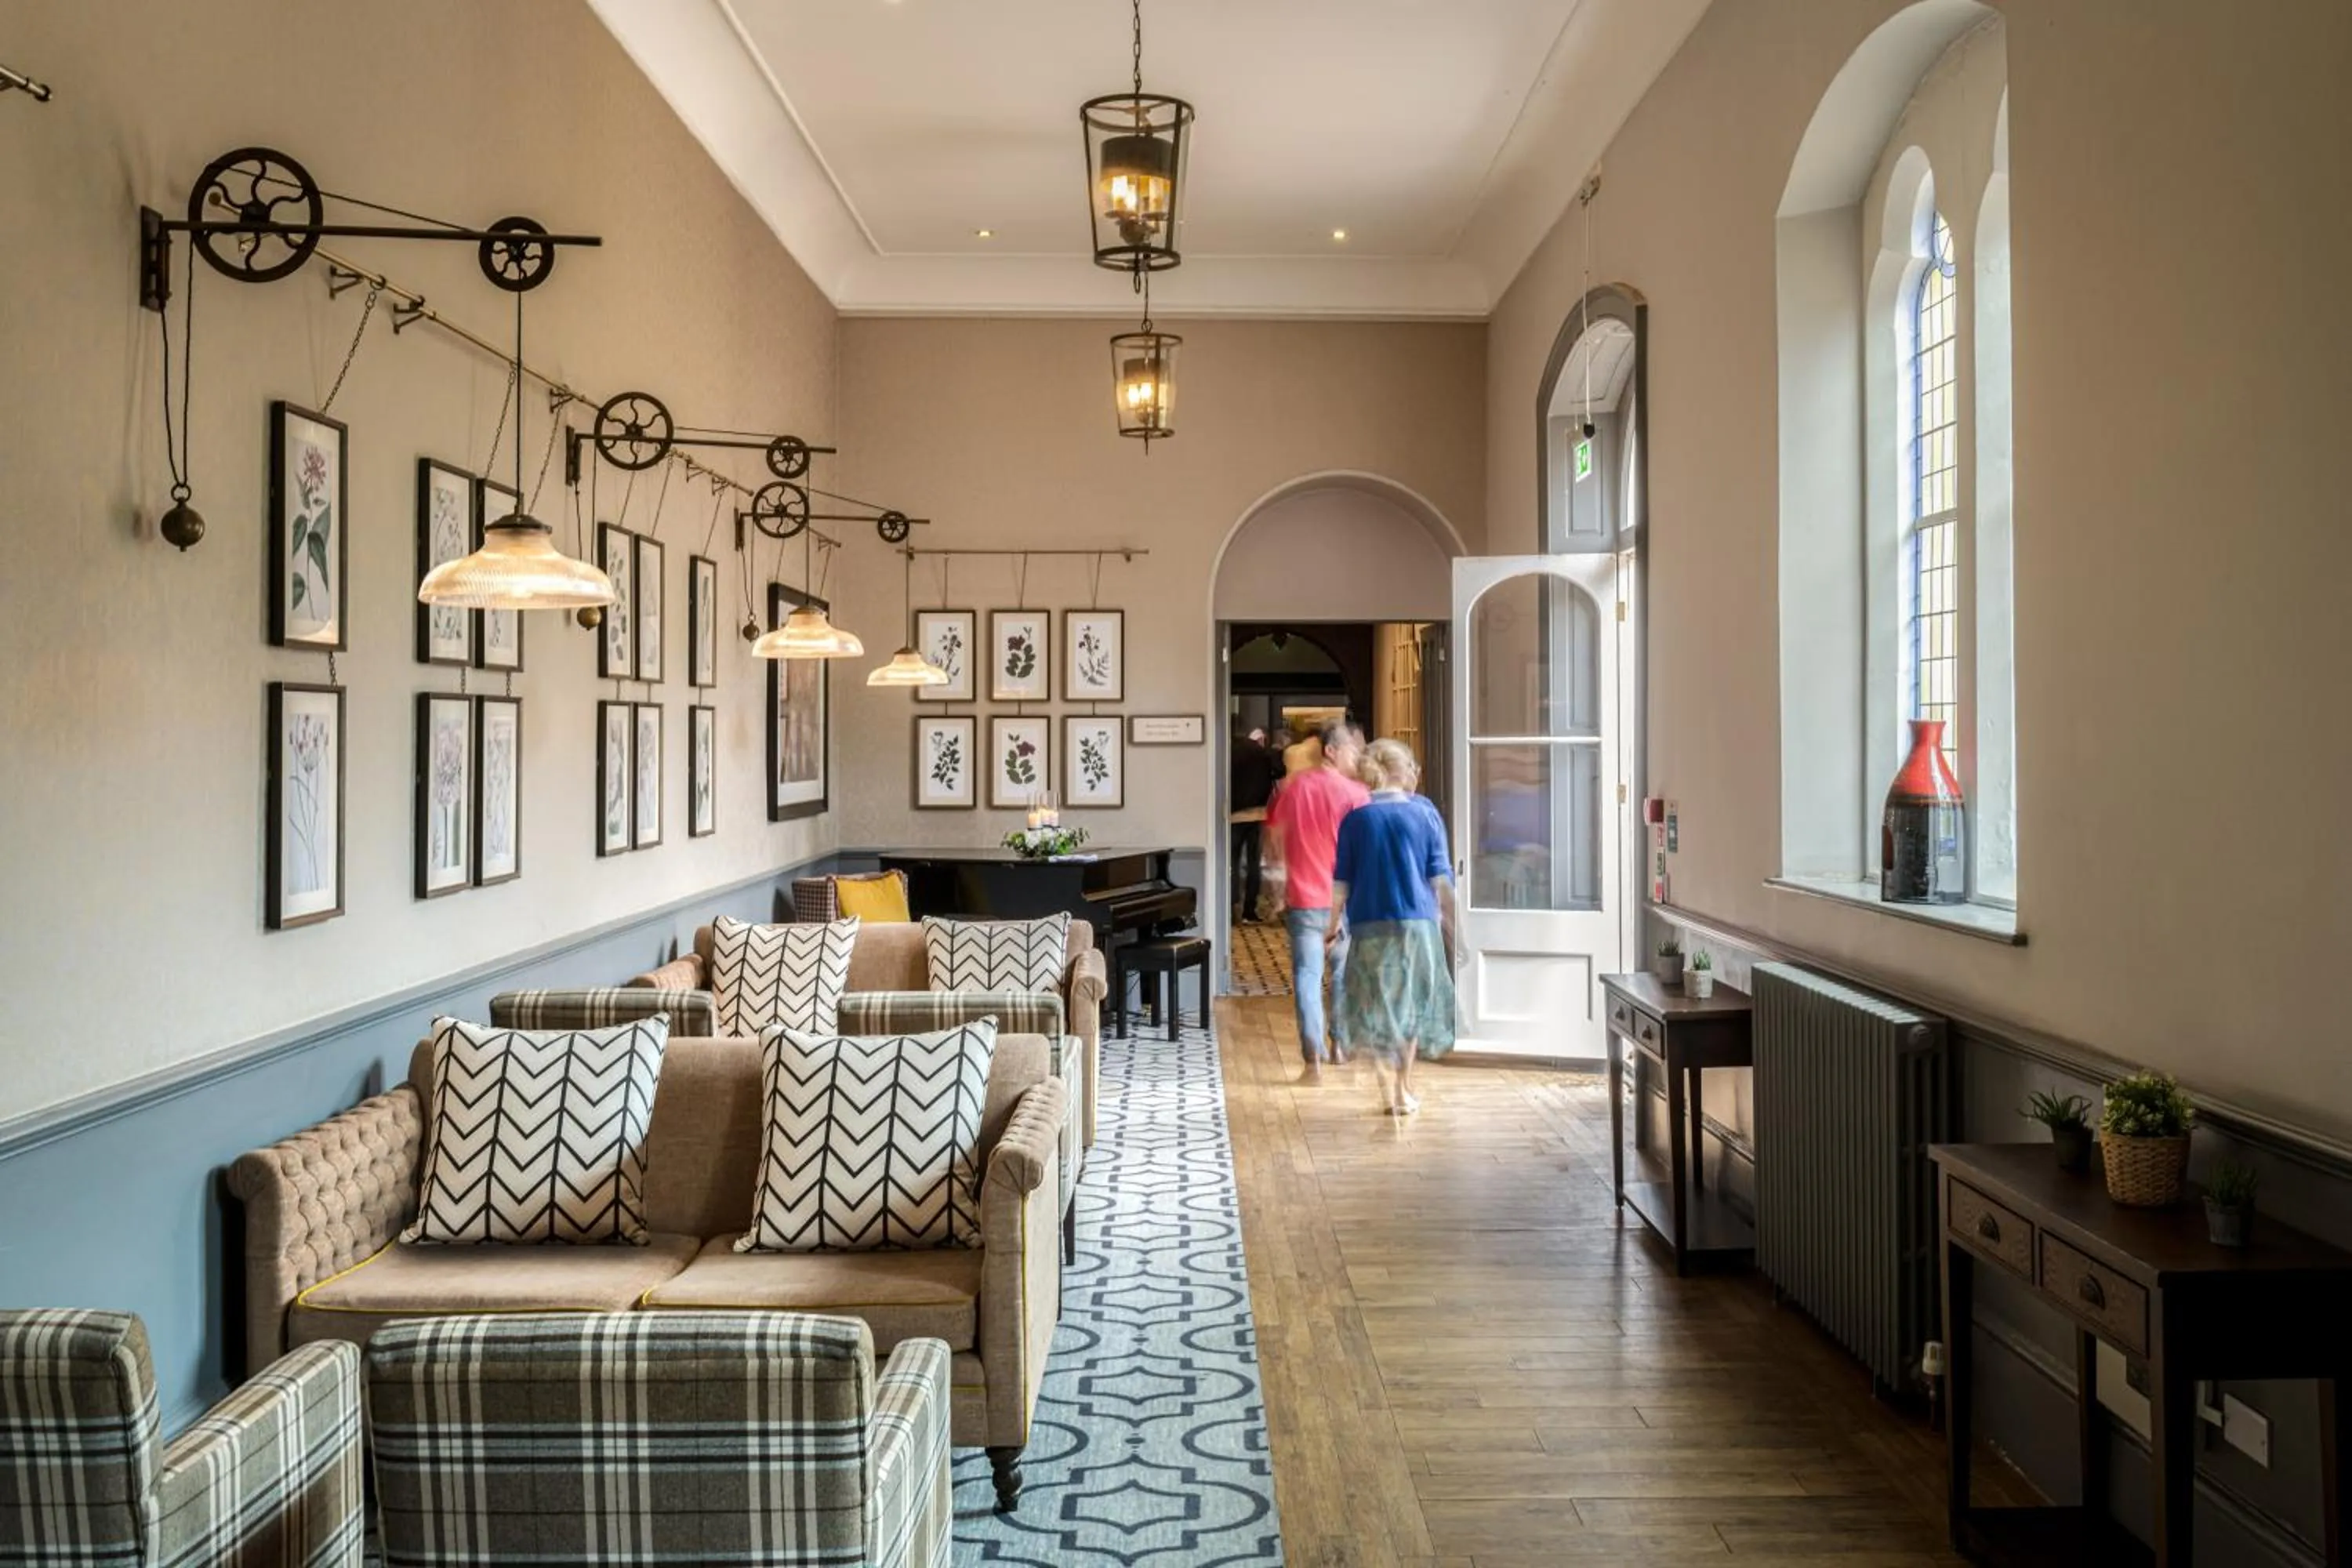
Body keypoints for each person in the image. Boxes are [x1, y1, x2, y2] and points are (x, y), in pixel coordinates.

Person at [1330, 738, 1457, 1116]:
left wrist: (1331, 925)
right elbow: (1441, 879)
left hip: (1369, 924)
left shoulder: (1356, 819)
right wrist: (1453, 924)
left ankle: (1386, 1079)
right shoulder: (1425, 814)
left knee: (1375, 1001)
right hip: (1418, 924)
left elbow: (1341, 883)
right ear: (1406, 771)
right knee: (1413, 1005)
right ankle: (1403, 1087)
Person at [1265, 720, 1367, 1077]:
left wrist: (1277, 883)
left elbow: (1275, 836)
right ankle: (1339, 1044)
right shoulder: (1357, 796)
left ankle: (1313, 1058)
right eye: (1353, 750)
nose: (1358, 757)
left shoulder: (1295, 789)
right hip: (1345, 901)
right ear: (1331, 751)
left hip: (1305, 899)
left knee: (1307, 977)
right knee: (1341, 975)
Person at [1229, 725, 1278, 924]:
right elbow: (1279, 772)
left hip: (1234, 815)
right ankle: (1250, 910)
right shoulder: (1263, 753)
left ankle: (1231, 908)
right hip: (1257, 813)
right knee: (1253, 864)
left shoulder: (1231, 753)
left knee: (1231, 862)